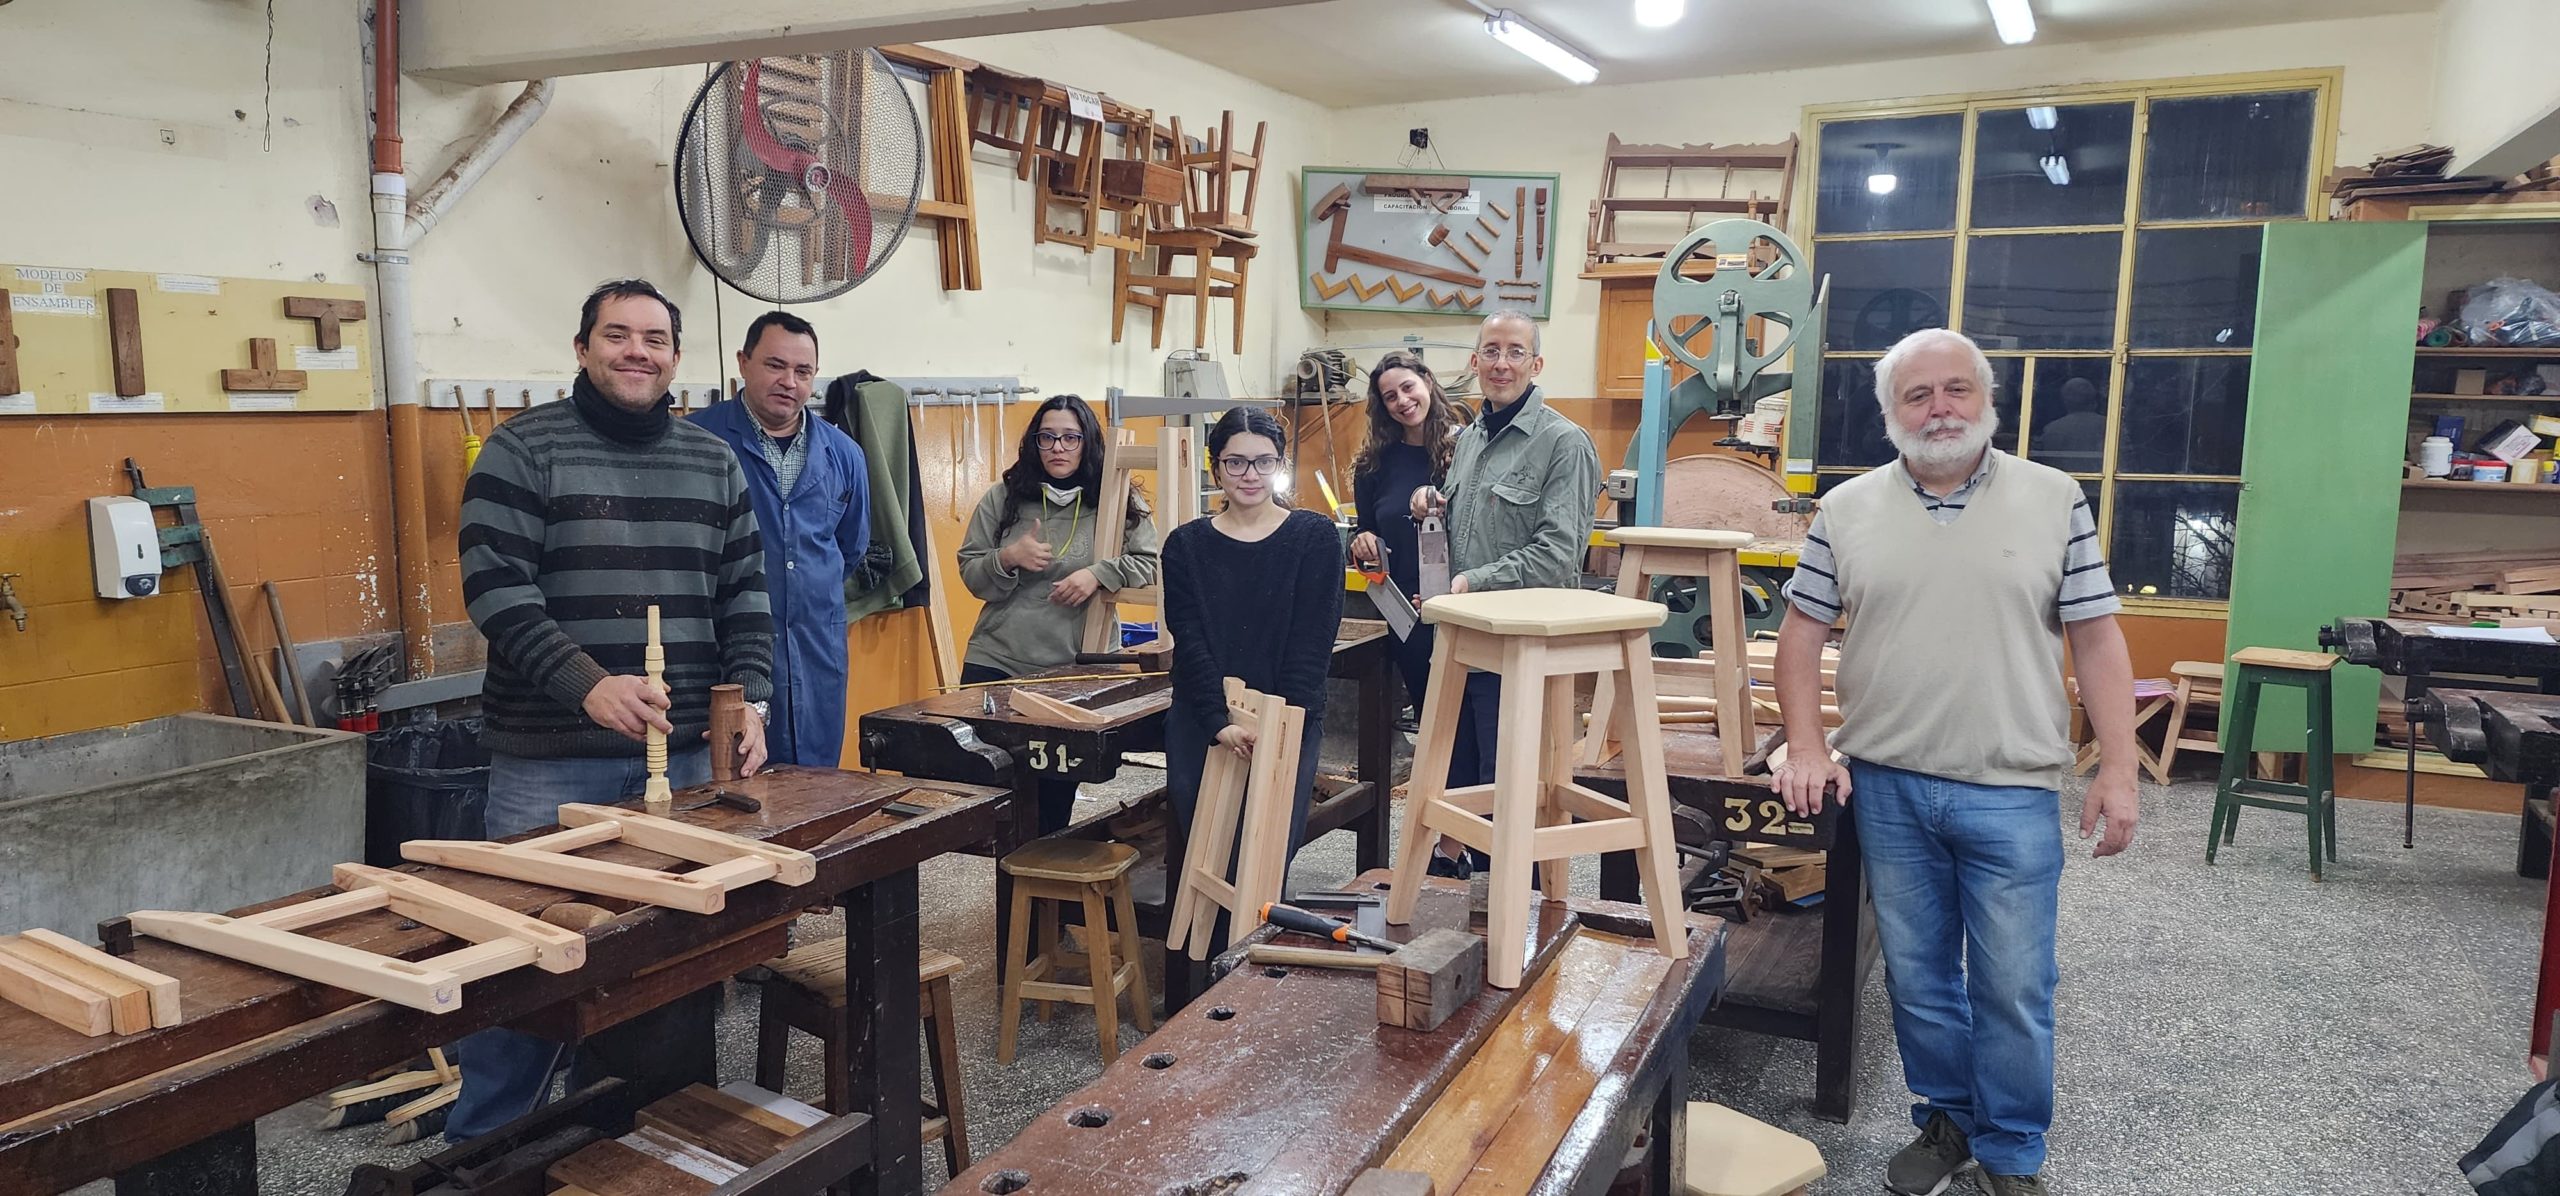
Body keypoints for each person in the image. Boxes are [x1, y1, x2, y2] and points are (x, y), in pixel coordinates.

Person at [1769, 327, 2139, 1196]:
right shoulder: (1846, 509)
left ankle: (2010, 1152)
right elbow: (1800, 636)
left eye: (1956, 390)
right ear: (1890, 413)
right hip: (1889, 784)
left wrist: (2119, 769)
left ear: (1987, 399)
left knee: (2014, 985)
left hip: (2011, 787)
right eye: (1918, 394)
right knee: (1919, 978)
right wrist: (1809, 744)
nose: (1939, 408)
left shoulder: (2053, 499)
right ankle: (1948, 1119)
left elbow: (2096, 638)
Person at [451, 278, 775, 1140]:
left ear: (676, 356)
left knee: (666, 970)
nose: (638, 351)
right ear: (583, 348)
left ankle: (639, 1146)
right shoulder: (522, 450)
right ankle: (484, 1155)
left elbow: (746, 597)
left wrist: (751, 702)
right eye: (618, 335)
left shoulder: (712, 459)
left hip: (685, 762)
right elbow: (496, 592)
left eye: (655, 338)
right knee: (519, 967)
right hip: (552, 762)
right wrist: (587, 684)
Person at [1407, 311, 1600, 877]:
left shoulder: (1564, 443)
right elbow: (1469, 525)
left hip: (1520, 649)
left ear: (1536, 364)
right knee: (1459, 781)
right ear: (1474, 362)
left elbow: (1558, 555)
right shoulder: (1469, 440)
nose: (1501, 364)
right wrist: (1431, 504)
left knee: (1513, 794)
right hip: (1463, 641)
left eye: (1515, 352)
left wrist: (1474, 582)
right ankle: (1470, 904)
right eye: (1491, 351)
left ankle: (1523, 909)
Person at [955, 394, 1160, 832]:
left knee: (1052, 805)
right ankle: (1010, 876)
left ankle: (1041, 876)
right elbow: (971, 573)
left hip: (1074, 669)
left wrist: (1099, 574)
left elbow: (1152, 563)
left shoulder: (1115, 498)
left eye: (1070, 437)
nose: (1058, 448)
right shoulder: (1005, 497)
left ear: (1088, 443)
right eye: (1046, 437)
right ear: (1034, 442)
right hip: (1000, 660)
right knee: (989, 801)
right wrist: (1008, 557)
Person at [1160, 405, 1344, 867]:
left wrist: (1280, 726)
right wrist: (1217, 721)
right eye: (1235, 462)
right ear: (1216, 468)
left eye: (1263, 462)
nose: (1250, 475)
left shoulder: (1315, 537)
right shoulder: (1185, 545)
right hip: (1204, 718)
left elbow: (1312, 643)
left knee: (1264, 860)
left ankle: (1256, 922)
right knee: (1206, 858)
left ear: (1280, 464)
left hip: (1287, 719)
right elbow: (1189, 639)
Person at [690, 310, 870, 768]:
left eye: (803, 371)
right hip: (721, 654)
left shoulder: (844, 454)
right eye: (775, 365)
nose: (789, 381)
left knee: (815, 788)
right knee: (726, 784)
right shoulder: (696, 441)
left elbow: (849, 549)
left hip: (817, 652)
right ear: (743, 362)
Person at [1348, 350, 1463, 720]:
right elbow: (1366, 530)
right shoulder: (1372, 465)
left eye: (1408, 387)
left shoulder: (1467, 451)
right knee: (1430, 719)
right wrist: (1362, 543)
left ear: (1427, 381)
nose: (1402, 400)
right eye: (1390, 396)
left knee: (1470, 718)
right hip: (1407, 616)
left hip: (1462, 606)